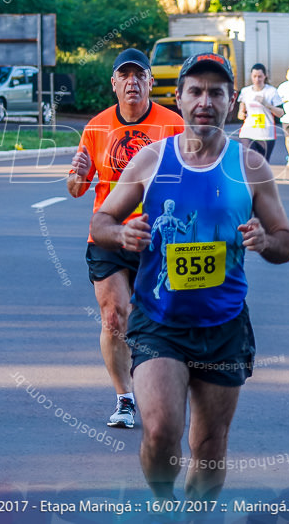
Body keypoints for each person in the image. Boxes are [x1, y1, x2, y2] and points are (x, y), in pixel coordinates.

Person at [90, 52, 289, 501]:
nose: (205, 101)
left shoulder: (250, 166)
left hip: (223, 328)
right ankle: (164, 506)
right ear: (179, 98)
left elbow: (286, 241)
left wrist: (266, 239)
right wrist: (122, 232)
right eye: (196, 91)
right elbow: (100, 223)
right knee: (162, 431)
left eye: (216, 92)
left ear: (231, 101)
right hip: (159, 323)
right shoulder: (150, 160)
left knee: (208, 447)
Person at [67, 48, 184, 429]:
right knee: (114, 316)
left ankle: (159, 384)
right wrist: (78, 174)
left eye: (140, 75)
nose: (132, 82)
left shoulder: (173, 124)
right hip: (109, 234)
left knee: (158, 319)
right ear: (114, 83)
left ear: (151, 82)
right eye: (125, 75)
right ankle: (125, 398)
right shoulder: (97, 127)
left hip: (158, 238)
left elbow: (195, 178)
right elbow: (76, 188)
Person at [237, 63, 283, 162]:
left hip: (266, 134)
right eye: (254, 76)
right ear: (251, 76)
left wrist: (267, 104)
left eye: (260, 77)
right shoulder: (246, 91)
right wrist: (241, 113)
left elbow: (281, 113)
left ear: (265, 76)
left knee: (263, 164)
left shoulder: (272, 92)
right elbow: (242, 108)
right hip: (248, 132)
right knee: (250, 161)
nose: (257, 79)